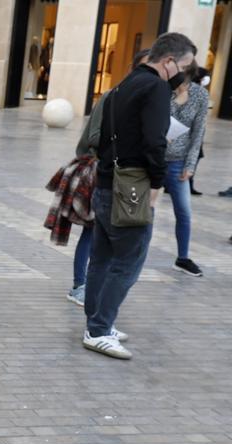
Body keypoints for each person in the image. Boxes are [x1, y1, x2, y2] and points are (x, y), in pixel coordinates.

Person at [84, 32, 197, 360]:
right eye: (185, 66)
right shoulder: (155, 88)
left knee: (103, 258)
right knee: (128, 261)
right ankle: (99, 329)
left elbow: (103, 135)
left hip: (107, 181)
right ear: (169, 61)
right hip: (132, 186)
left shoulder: (124, 83)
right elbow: (154, 141)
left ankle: (96, 322)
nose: (185, 74)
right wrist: (158, 183)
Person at [61, 48, 151, 307]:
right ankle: (80, 284)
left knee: (107, 236)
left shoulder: (143, 101)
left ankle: (93, 287)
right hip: (102, 172)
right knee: (92, 233)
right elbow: (91, 138)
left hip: (124, 177)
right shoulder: (114, 97)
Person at [163, 63, 208, 277]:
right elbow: (159, 124)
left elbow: (198, 132)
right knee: (143, 211)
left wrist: (190, 165)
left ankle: (182, 257)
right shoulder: (162, 89)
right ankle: (132, 254)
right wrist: (176, 101)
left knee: (184, 212)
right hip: (152, 159)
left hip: (178, 162)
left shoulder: (200, 95)